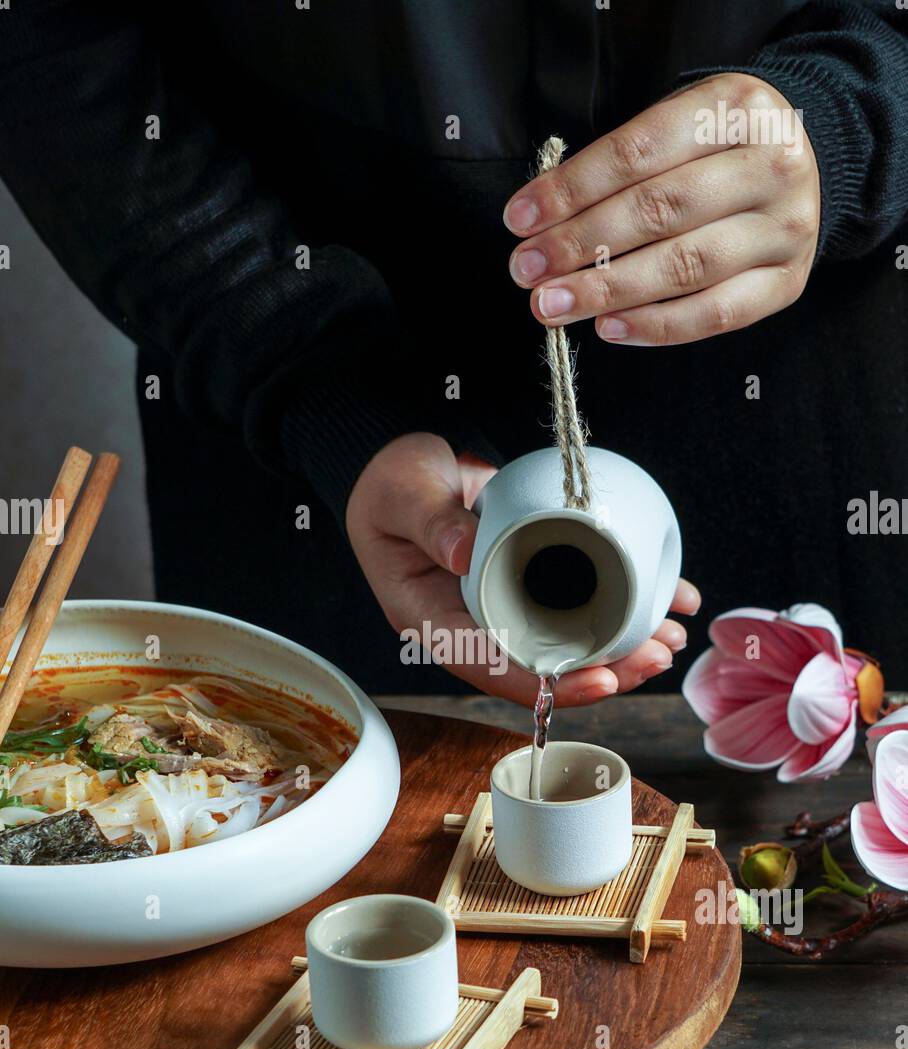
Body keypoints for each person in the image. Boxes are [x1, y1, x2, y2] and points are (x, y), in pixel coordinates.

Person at [1, 2, 906, 704]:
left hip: (810, 408)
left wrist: (853, 118)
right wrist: (308, 380)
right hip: (287, 399)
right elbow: (44, 44)